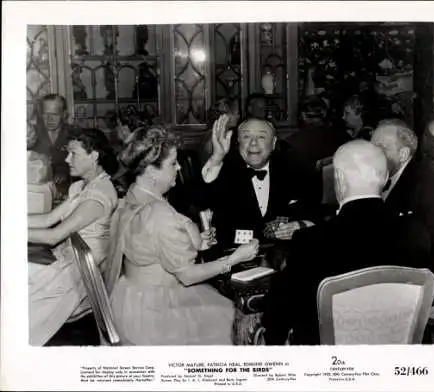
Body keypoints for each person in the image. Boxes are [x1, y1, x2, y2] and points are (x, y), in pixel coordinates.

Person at [104, 125, 260, 345]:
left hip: (130, 297)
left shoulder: (132, 197)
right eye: (172, 163)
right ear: (150, 171)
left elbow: (150, 245)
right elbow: (187, 276)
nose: (178, 167)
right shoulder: (158, 214)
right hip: (155, 312)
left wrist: (194, 242)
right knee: (234, 318)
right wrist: (236, 258)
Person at [261, 140, 398, 345]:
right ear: (386, 177)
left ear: (339, 179)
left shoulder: (311, 240)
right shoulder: (416, 231)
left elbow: (280, 311)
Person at [28, 128, 119, 346]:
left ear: (94, 156)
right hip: (67, 258)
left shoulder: (100, 194)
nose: (67, 159)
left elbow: (54, 235)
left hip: (82, 272)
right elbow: (49, 219)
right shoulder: (82, 186)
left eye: (74, 154)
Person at [371, 120, 434, 305]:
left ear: (403, 154)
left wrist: (406, 282)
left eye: (380, 148)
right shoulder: (381, 180)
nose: (371, 155)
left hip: (433, 282)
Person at [200, 115, 321, 249]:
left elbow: (315, 211)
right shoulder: (223, 171)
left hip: (283, 255)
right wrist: (217, 157)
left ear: (274, 143)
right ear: (238, 141)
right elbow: (199, 202)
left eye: (261, 137)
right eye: (246, 137)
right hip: (233, 256)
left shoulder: (292, 170)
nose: (253, 143)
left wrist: (300, 225)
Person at [30, 93, 78, 200]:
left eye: (55, 115)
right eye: (45, 114)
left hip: (67, 193)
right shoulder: (31, 134)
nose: (49, 119)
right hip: (36, 193)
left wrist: (66, 172)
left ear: (64, 115)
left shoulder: (74, 134)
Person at [198, 98, 241, 166]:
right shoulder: (215, 138)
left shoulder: (213, 133)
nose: (238, 116)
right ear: (225, 116)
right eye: (236, 113)